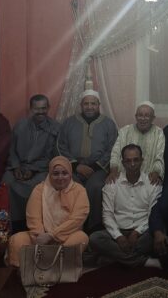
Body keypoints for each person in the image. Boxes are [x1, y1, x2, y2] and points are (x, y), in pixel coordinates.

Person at [6, 156, 89, 267]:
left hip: (67, 236)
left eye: (64, 173)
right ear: (50, 174)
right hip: (41, 237)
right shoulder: (40, 189)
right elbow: (33, 217)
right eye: (56, 174)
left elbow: (77, 220)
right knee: (17, 240)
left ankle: (54, 268)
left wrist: (52, 235)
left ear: (70, 174)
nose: (60, 177)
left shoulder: (79, 190)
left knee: (81, 238)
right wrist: (40, 237)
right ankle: (25, 272)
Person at [89, 144, 162, 268]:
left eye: (136, 160)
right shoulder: (112, 184)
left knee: (155, 236)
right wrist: (118, 237)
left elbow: (153, 214)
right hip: (118, 230)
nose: (132, 164)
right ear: (123, 163)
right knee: (95, 238)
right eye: (128, 161)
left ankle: (113, 258)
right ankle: (142, 261)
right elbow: (107, 215)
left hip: (143, 232)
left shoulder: (152, 184)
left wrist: (137, 232)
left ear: (142, 160)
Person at [57, 89, 118, 232]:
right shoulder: (69, 122)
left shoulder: (109, 124)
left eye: (93, 103)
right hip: (73, 168)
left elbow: (113, 148)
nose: (89, 107)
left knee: (95, 187)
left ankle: (93, 226)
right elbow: (60, 145)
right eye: (86, 104)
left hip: (99, 168)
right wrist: (76, 166)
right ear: (81, 105)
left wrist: (96, 166)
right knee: (71, 186)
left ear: (99, 105)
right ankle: (71, 225)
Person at [3, 94, 60, 232]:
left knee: (36, 186)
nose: (40, 112)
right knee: (6, 183)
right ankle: (10, 226)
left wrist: (33, 170)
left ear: (48, 108)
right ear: (31, 109)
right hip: (17, 166)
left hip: (41, 169)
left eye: (43, 108)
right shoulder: (20, 125)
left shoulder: (56, 128)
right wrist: (16, 167)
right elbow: (11, 149)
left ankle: (32, 224)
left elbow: (53, 156)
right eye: (37, 109)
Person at [107, 102, 164, 186]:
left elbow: (159, 156)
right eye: (140, 115)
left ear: (153, 118)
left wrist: (156, 172)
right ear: (136, 116)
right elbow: (115, 153)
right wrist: (113, 171)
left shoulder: (158, 133)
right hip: (124, 177)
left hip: (149, 178)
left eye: (147, 116)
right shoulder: (124, 131)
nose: (143, 119)